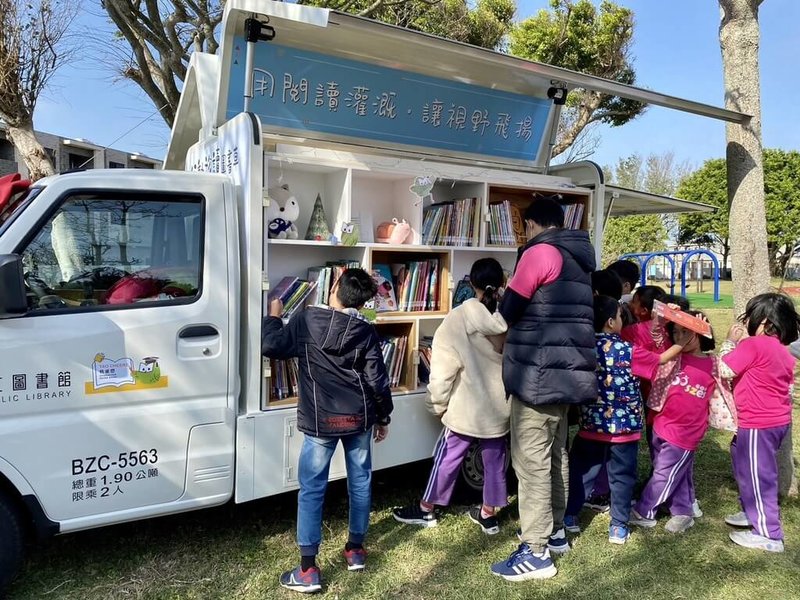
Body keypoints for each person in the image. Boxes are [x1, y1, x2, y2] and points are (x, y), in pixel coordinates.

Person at [262, 268, 394, 593]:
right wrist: (383, 416)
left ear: (333, 286)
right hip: (359, 419)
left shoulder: (307, 320)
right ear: (364, 302)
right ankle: (356, 550)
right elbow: (377, 381)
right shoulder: (366, 331)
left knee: (312, 489)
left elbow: (272, 346)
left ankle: (308, 570)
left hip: (322, 422)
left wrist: (274, 316)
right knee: (360, 482)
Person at [490, 196, 596, 581]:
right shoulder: (579, 259)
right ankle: (556, 533)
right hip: (568, 375)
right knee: (555, 455)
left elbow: (508, 313)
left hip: (537, 375)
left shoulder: (539, 254)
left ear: (533, 224)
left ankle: (534, 552)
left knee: (530, 462)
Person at [392, 258, 509, 534]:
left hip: (465, 408)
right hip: (500, 405)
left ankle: (426, 509)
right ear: (503, 283)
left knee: (447, 458)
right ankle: (488, 513)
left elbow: (443, 370)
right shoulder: (509, 319)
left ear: (471, 283)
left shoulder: (457, 319)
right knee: (495, 461)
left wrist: (436, 404)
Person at [564, 296, 687, 544]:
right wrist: (682, 342)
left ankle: (570, 516)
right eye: (620, 316)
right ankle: (618, 526)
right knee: (622, 478)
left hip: (590, 427)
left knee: (582, 472)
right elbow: (661, 359)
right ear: (611, 322)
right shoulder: (627, 351)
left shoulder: (583, 350)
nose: (623, 320)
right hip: (624, 431)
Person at [719, 293, 800, 552]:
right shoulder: (783, 350)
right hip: (775, 422)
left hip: (758, 424)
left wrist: (731, 343)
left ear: (763, 321)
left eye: (749, 317)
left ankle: (769, 533)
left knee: (758, 474)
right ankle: (753, 512)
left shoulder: (754, 345)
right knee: (745, 464)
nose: (746, 323)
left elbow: (725, 369)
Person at [630, 310, 717, 534]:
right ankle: (683, 511)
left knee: (665, 473)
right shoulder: (672, 356)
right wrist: (665, 317)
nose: (680, 337)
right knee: (674, 471)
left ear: (699, 334)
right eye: (676, 332)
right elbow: (657, 334)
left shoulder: (714, 364)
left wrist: (731, 340)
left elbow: (733, 365)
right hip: (661, 425)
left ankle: (644, 511)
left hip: (686, 433)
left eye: (686, 332)